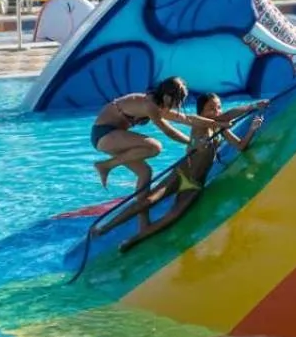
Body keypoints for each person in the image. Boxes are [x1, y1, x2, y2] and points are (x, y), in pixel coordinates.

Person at [95, 92, 267, 248]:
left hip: (195, 183)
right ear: (201, 112)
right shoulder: (201, 125)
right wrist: (252, 106)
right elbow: (229, 115)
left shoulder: (219, 127)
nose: (216, 111)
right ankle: (105, 228)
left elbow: (240, 145)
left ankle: (135, 239)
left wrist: (252, 129)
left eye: (218, 107)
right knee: (148, 201)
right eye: (211, 108)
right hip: (180, 173)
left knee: (174, 215)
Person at [90, 77, 223, 193]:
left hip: (115, 138)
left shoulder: (159, 104)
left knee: (145, 173)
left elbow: (186, 118)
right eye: (176, 100)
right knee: (154, 147)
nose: (177, 105)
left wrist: (217, 124)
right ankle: (105, 165)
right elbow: (168, 131)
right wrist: (193, 143)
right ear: (166, 96)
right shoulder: (150, 105)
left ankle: (143, 214)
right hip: (103, 134)